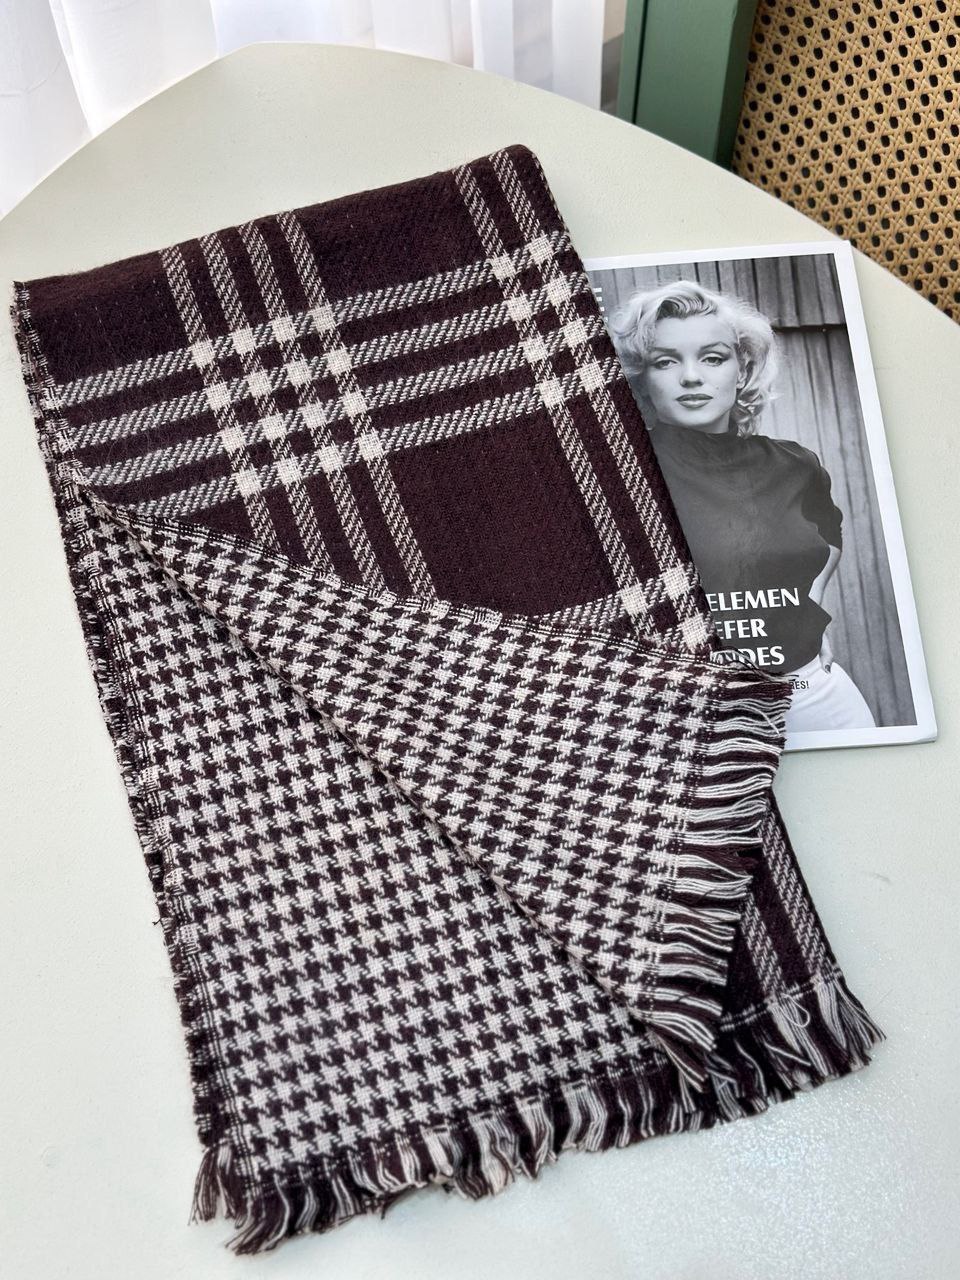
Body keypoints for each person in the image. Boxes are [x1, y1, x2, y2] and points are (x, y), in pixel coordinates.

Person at [610, 278, 875, 734]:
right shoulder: (623, 473)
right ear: (642, 378)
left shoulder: (794, 464)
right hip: (693, 711)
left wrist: (806, 607)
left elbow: (828, 534)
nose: (691, 377)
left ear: (742, 369)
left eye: (712, 358)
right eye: (666, 361)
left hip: (812, 691)